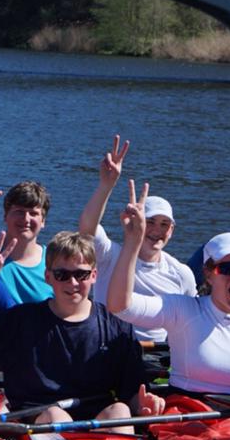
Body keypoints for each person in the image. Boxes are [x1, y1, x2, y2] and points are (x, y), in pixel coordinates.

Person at [108, 181, 230, 401]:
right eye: (226, 268)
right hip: (187, 414)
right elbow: (120, 305)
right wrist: (133, 241)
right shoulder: (181, 310)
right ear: (209, 275)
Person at [0, 229, 157, 427]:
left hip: (98, 425)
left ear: (94, 275)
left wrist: (144, 404)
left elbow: (132, 390)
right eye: (62, 275)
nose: (72, 283)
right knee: (57, 416)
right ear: (48, 277)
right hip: (39, 421)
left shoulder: (116, 327)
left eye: (81, 274)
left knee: (120, 410)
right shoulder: (22, 321)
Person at [77, 135, 196, 343]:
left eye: (164, 224)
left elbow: (190, 324)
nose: (156, 231)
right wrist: (107, 185)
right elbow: (87, 229)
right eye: (149, 222)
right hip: (111, 354)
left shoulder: (181, 274)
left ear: (172, 230)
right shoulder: (110, 255)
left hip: (158, 359)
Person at [0, 181, 54, 304]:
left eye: (33, 213)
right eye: (19, 212)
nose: (26, 219)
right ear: (5, 216)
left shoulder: (54, 262)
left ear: (43, 221)